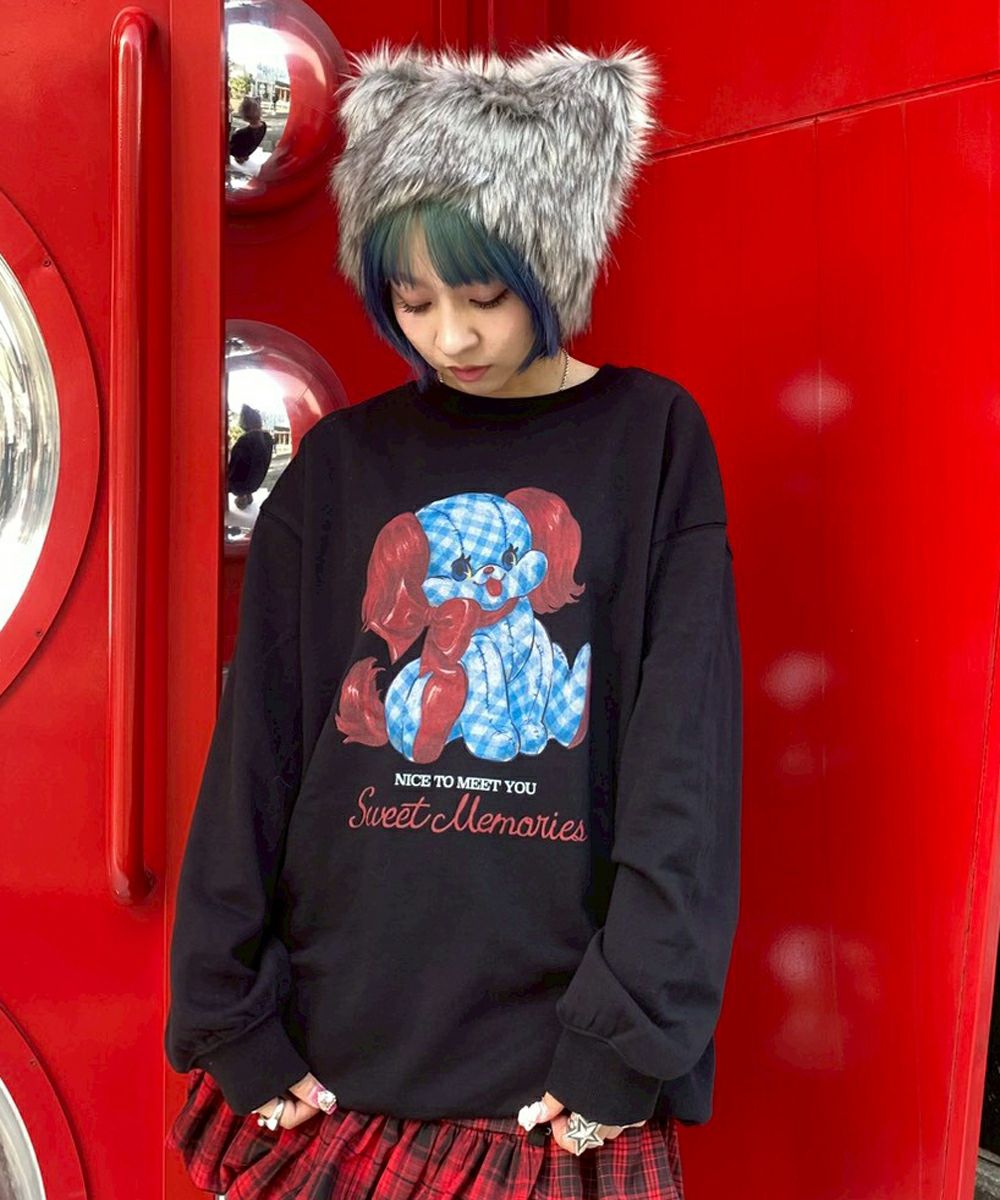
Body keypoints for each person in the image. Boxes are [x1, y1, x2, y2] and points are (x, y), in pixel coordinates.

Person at [164, 39, 742, 1200]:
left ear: (556, 261)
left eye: (484, 298)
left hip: (549, 1080)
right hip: (332, 1063)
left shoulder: (649, 443)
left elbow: (685, 765)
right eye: (412, 300)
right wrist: (229, 1013)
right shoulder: (340, 470)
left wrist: (626, 1036)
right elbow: (257, 755)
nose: (450, 339)